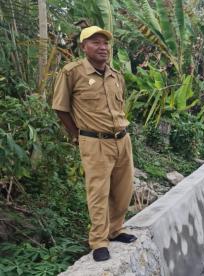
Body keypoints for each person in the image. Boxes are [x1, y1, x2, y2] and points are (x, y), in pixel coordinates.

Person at [52, 26, 136, 262]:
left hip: (122, 139)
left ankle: (116, 229)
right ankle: (98, 241)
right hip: (94, 142)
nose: (103, 47)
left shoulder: (115, 74)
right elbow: (60, 107)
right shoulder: (72, 73)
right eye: (96, 42)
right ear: (83, 47)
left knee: (123, 190)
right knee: (98, 192)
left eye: (105, 43)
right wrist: (76, 135)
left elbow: (119, 107)